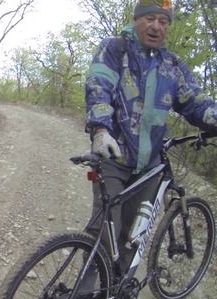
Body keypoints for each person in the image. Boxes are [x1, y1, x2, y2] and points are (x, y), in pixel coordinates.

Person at [84, 0, 217, 273]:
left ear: (168, 27)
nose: (156, 26)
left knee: (135, 231)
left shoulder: (173, 65)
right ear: (137, 20)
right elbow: (99, 85)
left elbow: (196, 103)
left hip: (149, 166)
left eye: (163, 21)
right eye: (150, 19)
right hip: (114, 155)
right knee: (104, 229)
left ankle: (120, 287)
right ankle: (84, 295)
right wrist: (100, 129)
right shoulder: (115, 48)